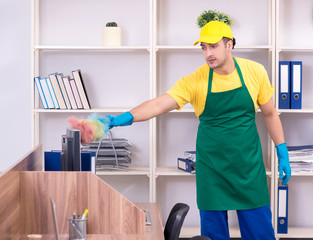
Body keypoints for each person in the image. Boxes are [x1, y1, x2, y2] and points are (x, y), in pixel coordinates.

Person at [106, 20, 291, 240]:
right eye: (203, 47)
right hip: (212, 170)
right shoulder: (196, 79)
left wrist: (282, 151)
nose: (207, 53)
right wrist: (123, 118)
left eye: (213, 46)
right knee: (213, 236)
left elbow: (270, 113)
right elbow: (159, 103)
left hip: (248, 168)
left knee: (260, 234)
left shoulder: (255, 72)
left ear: (229, 45)